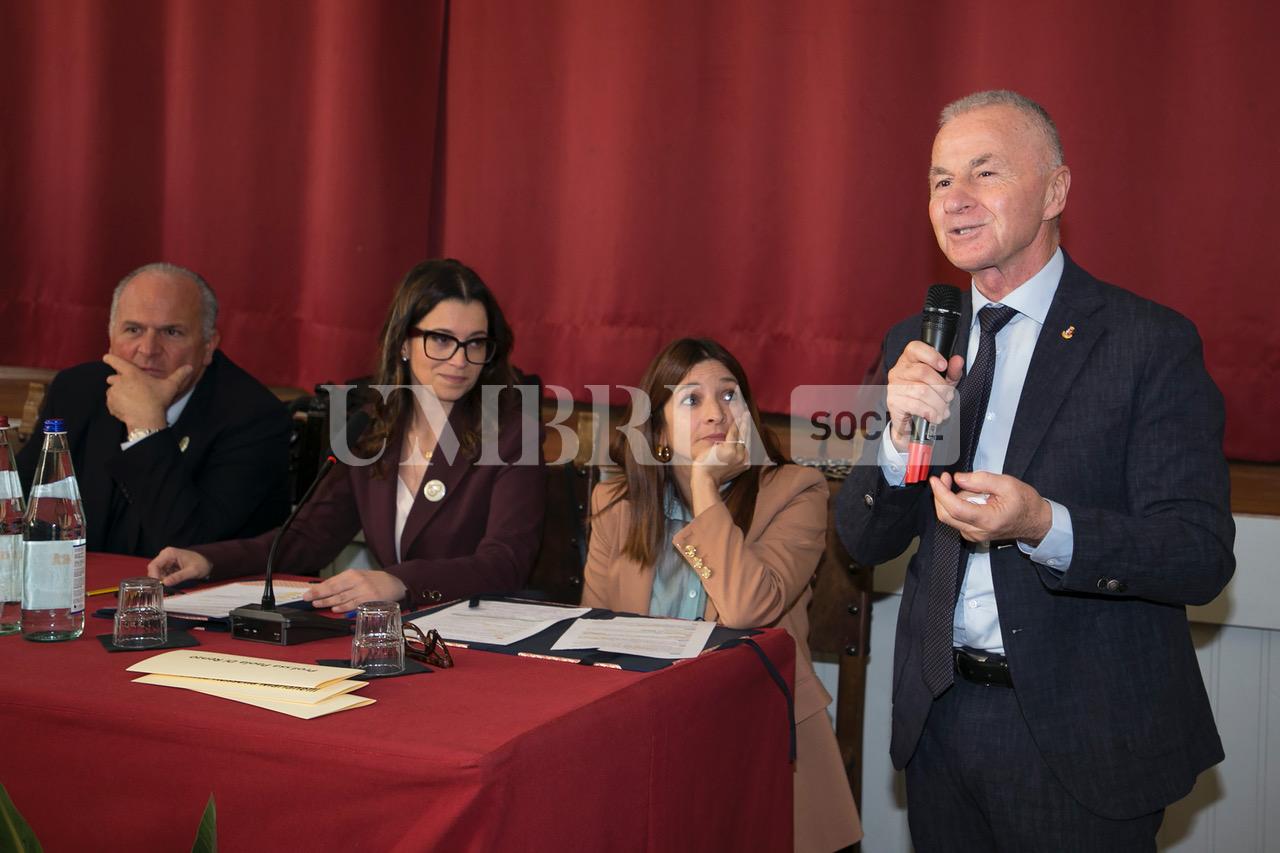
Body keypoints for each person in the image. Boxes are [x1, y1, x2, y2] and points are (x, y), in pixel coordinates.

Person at [836, 90, 1235, 850]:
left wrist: (1044, 526)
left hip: (1082, 737)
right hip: (941, 723)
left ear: (1055, 190)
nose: (954, 200)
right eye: (938, 179)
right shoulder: (914, 343)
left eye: (983, 173)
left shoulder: (1146, 343)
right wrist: (895, 441)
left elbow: (1198, 553)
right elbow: (861, 536)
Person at [582, 338, 862, 853]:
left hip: (757, 743)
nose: (716, 413)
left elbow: (747, 610)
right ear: (659, 431)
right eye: (691, 400)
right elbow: (593, 640)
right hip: (646, 736)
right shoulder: (615, 505)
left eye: (729, 396)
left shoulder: (796, 491)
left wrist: (705, 490)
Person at [148, 258, 546, 612]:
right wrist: (209, 560)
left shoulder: (512, 433)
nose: (460, 360)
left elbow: (506, 562)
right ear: (404, 343)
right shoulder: (370, 427)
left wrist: (401, 581)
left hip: (483, 633)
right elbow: (306, 538)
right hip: (396, 632)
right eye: (441, 339)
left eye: (476, 343)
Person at [17, 262, 291, 556]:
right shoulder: (77, 390)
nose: (148, 349)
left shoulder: (253, 418)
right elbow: (24, 504)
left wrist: (146, 428)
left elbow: (191, 548)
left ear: (208, 346)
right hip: (80, 588)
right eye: (133, 329)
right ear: (110, 338)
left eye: (171, 332)